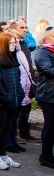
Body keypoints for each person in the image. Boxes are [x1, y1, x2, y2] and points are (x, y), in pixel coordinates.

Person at [0, 34, 23, 168]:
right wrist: (6, 98)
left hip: (14, 101)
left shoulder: (13, 60)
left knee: (8, 129)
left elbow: (17, 80)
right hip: (4, 103)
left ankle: (3, 154)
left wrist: (19, 95)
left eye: (15, 42)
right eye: (11, 43)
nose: (15, 45)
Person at [34, 25, 54, 168]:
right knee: (50, 125)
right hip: (48, 94)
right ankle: (46, 156)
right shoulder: (42, 52)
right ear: (45, 38)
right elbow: (48, 70)